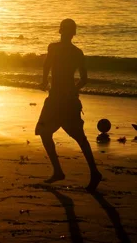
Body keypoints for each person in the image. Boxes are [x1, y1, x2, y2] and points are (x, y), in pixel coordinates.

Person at [36, 19, 102, 192]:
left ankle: (93, 172)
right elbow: (82, 79)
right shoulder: (74, 52)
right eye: (65, 31)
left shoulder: (59, 49)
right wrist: (46, 83)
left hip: (64, 100)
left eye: (66, 31)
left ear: (63, 31)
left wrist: (67, 89)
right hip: (59, 98)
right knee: (45, 132)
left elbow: (47, 66)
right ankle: (59, 170)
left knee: (77, 137)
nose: (65, 33)